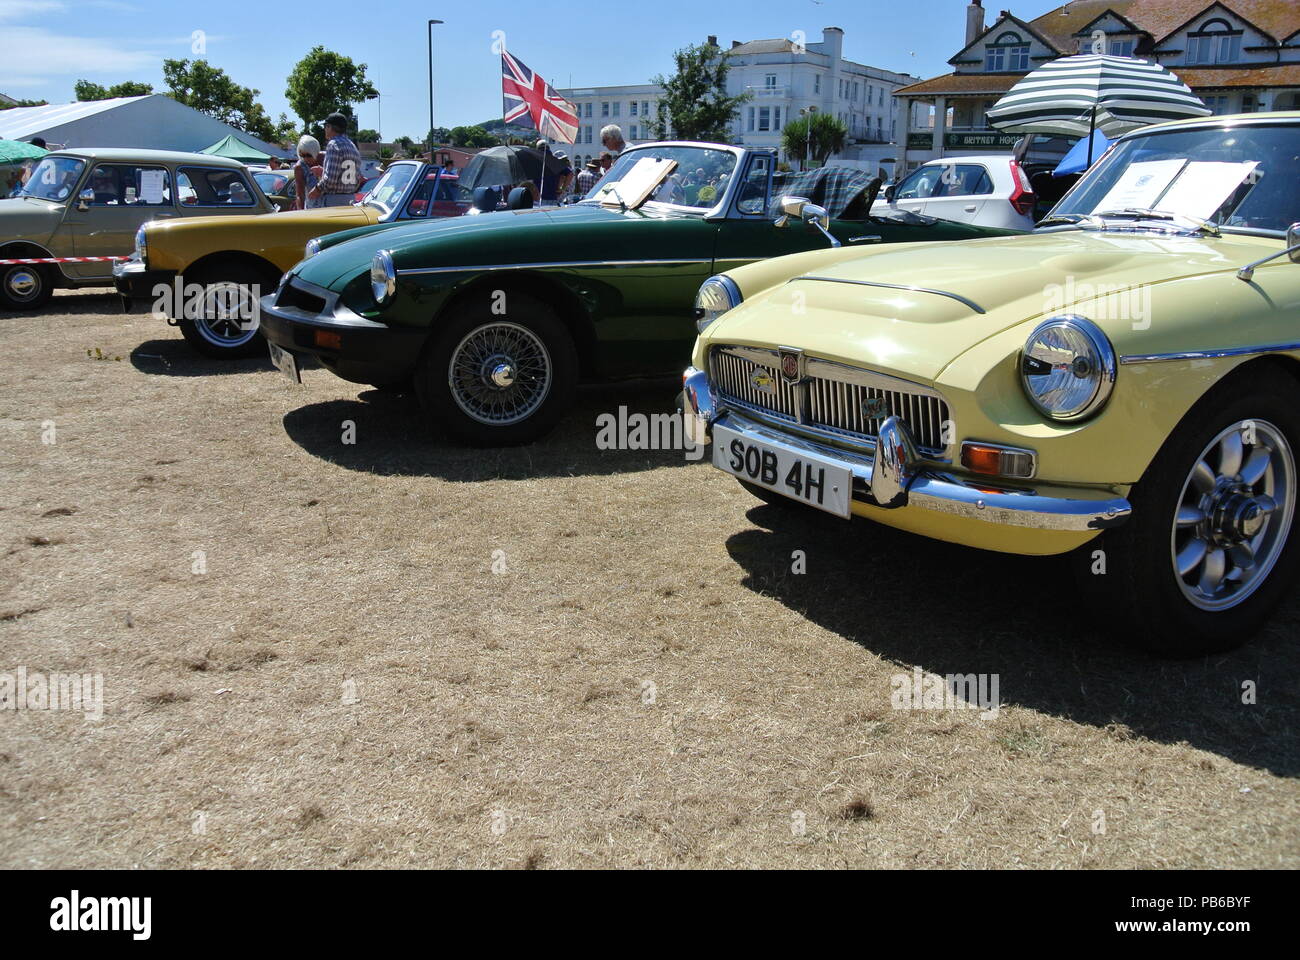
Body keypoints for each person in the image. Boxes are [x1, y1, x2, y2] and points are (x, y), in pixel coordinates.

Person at [308, 112, 362, 208]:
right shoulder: (352, 146)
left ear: (329, 127)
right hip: (350, 198)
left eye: (325, 126)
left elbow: (330, 180)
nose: (325, 129)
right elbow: (357, 178)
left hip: (333, 201)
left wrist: (316, 190)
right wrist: (323, 172)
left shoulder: (333, 144)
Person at [293, 135, 323, 210]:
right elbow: (300, 194)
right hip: (312, 208)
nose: (305, 158)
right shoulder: (299, 167)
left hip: (331, 206)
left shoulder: (326, 159)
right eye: (302, 155)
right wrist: (300, 212)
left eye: (308, 155)